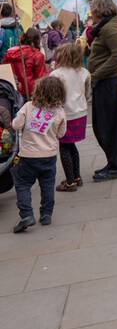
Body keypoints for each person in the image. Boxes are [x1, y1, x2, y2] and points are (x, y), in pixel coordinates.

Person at [11, 74, 67, 232]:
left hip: (28, 156)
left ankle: (27, 215)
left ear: (38, 90)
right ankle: (46, 214)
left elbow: (16, 125)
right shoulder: (60, 112)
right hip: (49, 156)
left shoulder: (28, 106)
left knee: (22, 185)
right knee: (48, 185)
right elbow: (61, 134)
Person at [86, 0, 117, 181]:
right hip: (107, 82)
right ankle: (113, 162)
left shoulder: (110, 29)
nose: (91, 13)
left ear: (98, 11)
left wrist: (95, 75)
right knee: (104, 124)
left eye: (92, 10)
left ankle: (116, 166)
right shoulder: (106, 27)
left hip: (110, 82)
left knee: (111, 125)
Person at [53, 42, 90, 191]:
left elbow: (53, 95)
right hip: (80, 113)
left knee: (64, 147)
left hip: (65, 114)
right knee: (71, 144)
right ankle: (76, 176)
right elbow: (87, 94)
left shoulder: (57, 74)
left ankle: (70, 182)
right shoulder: (84, 72)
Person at [5, 26, 48, 100]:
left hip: (11, 90)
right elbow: (41, 78)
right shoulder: (37, 55)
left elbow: (5, 71)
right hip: (31, 92)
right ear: (37, 41)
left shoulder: (10, 53)